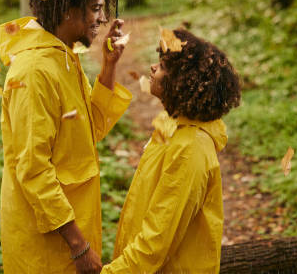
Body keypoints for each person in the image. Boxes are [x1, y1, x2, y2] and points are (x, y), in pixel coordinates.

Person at [0, 0, 132, 274]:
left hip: (74, 229)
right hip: (49, 247)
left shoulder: (64, 58)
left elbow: (92, 128)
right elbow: (33, 167)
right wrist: (78, 245)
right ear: (67, 10)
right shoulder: (33, 72)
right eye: (95, 8)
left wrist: (109, 66)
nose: (103, 18)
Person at [102, 29, 241, 274]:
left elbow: (158, 238)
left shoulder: (190, 149)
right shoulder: (172, 126)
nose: (154, 68)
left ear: (184, 82)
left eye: (164, 66)